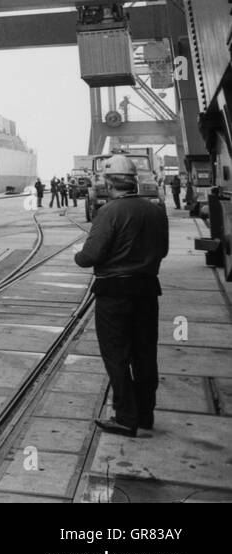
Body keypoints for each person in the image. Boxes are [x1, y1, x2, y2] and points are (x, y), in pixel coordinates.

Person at [73, 154, 168, 437]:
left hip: (115, 293)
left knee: (116, 355)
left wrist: (78, 255)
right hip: (147, 289)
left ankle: (126, 417)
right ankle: (145, 414)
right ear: (134, 181)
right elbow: (162, 250)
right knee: (145, 353)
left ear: (108, 182)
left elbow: (91, 256)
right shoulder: (155, 211)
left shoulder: (109, 212)